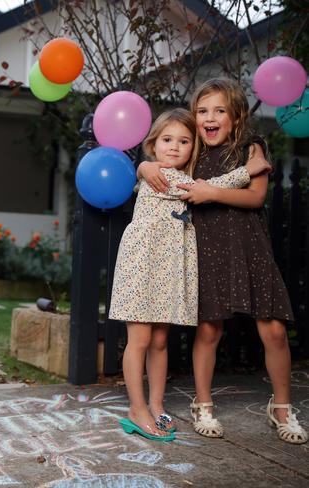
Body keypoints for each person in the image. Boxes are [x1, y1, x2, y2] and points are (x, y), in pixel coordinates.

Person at [139, 78, 308, 444]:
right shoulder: (193, 150)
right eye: (202, 111)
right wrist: (143, 168)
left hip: (251, 248)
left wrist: (211, 191)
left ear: (236, 116)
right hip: (208, 248)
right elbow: (163, 161)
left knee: (275, 330)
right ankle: (203, 403)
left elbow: (256, 198)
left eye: (219, 111)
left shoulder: (252, 149)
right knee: (209, 330)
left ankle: (281, 407)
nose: (209, 117)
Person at [111, 108, 270, 442]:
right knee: (139, 339)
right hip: (143, 265)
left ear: (193, 148)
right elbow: (210, 187)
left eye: (184, 141)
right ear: (153, 144)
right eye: (167, 140)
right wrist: (249, 170)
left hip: (167, 268)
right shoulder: (161, 176)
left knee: (159, 340)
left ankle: (156, 404)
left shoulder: (170, 172)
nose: (174, 147)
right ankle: (136, 409)